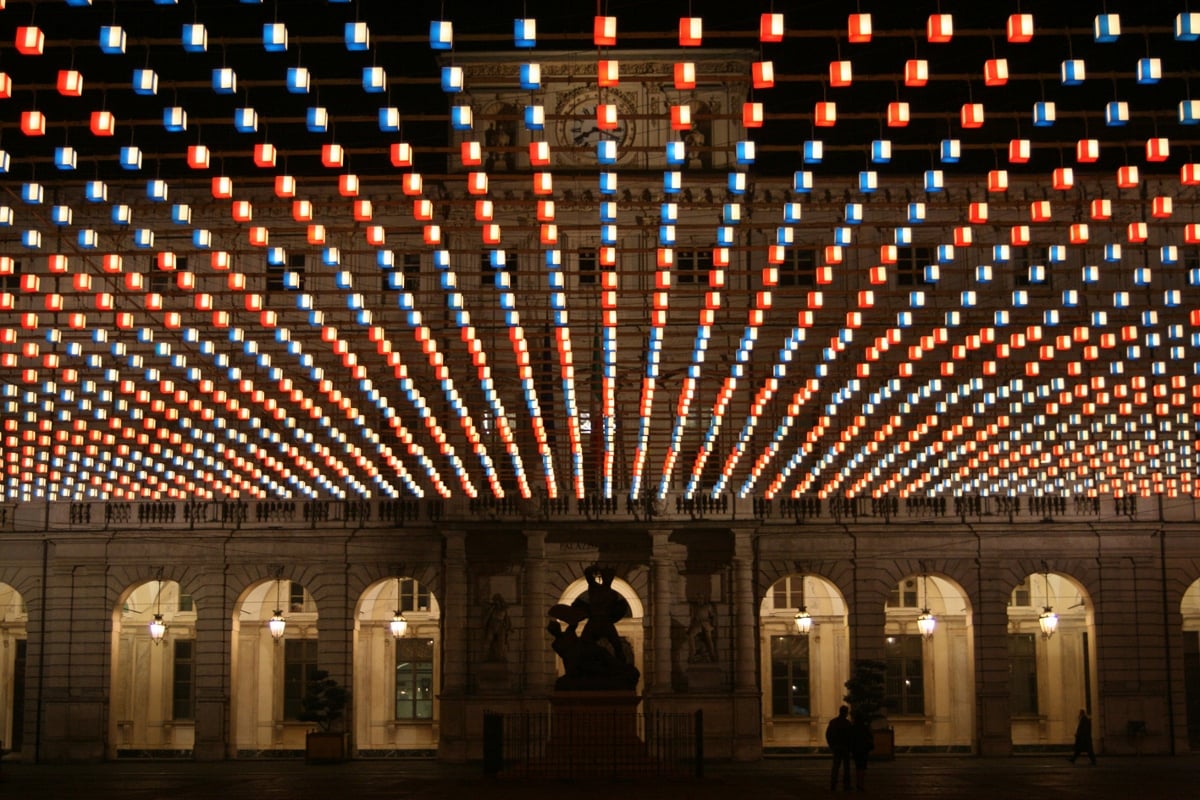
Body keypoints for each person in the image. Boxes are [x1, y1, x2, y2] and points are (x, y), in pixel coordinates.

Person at [825, 705, 853, 791]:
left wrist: (831, 745)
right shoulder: (847, 723)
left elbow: (828, 734)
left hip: (836, 747)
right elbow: (851, 737)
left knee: (836, 766)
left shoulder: (833, 722)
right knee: (846, 767)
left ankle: (833, 784)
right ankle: (846, 785)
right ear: (845, 713)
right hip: (845, 747)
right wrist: (851, 747)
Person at [851, 716, 875, 790]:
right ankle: (861, 784)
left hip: (856, 750)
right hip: (864, 750)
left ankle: (858, 783)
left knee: (858, 767)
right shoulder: (865, 728)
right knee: (862, 767)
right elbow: (870, 737)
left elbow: (851, 738)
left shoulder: (853, 728)